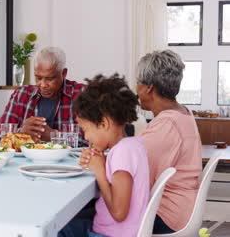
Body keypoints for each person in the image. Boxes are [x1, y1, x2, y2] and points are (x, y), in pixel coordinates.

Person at [59, 74, 149, 237]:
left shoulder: (122, 153)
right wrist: (102, 161)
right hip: (112, 230)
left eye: (86, 130)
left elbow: (119, 213)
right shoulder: (132, 145)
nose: (85, 137)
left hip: (110, 234)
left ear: (104, 124)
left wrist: (100, 171)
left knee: (57, 229)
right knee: (67, 225)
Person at [136, 50, 202, 234]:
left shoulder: (167, 125)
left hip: (165, 215)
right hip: (180, 210)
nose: (136, 90)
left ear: (149, 87)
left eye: (138, 83)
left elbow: (133, 175)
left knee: (75, 222)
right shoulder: (182, 113)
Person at [0, 46, 86, 144]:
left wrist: (54, 136)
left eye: (50, 79)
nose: (43, 85)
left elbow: (94, 140)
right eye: (38, 78)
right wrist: (20, 133)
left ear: (64, 73)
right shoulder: (22, 94)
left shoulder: (81, 94)